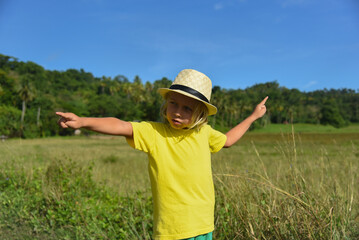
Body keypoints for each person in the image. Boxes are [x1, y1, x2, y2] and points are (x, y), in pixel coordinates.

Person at [56, 69, 268, 240]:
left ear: (200, 114)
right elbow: (120, 125)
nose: (177, 111)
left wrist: (253, 117)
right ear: (166, 104)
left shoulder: (204, 133)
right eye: (173, 103)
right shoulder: (153, 132)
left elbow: (228, 140)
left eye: (187, 108)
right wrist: (83, 121)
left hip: (203, 222)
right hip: (171, 228)